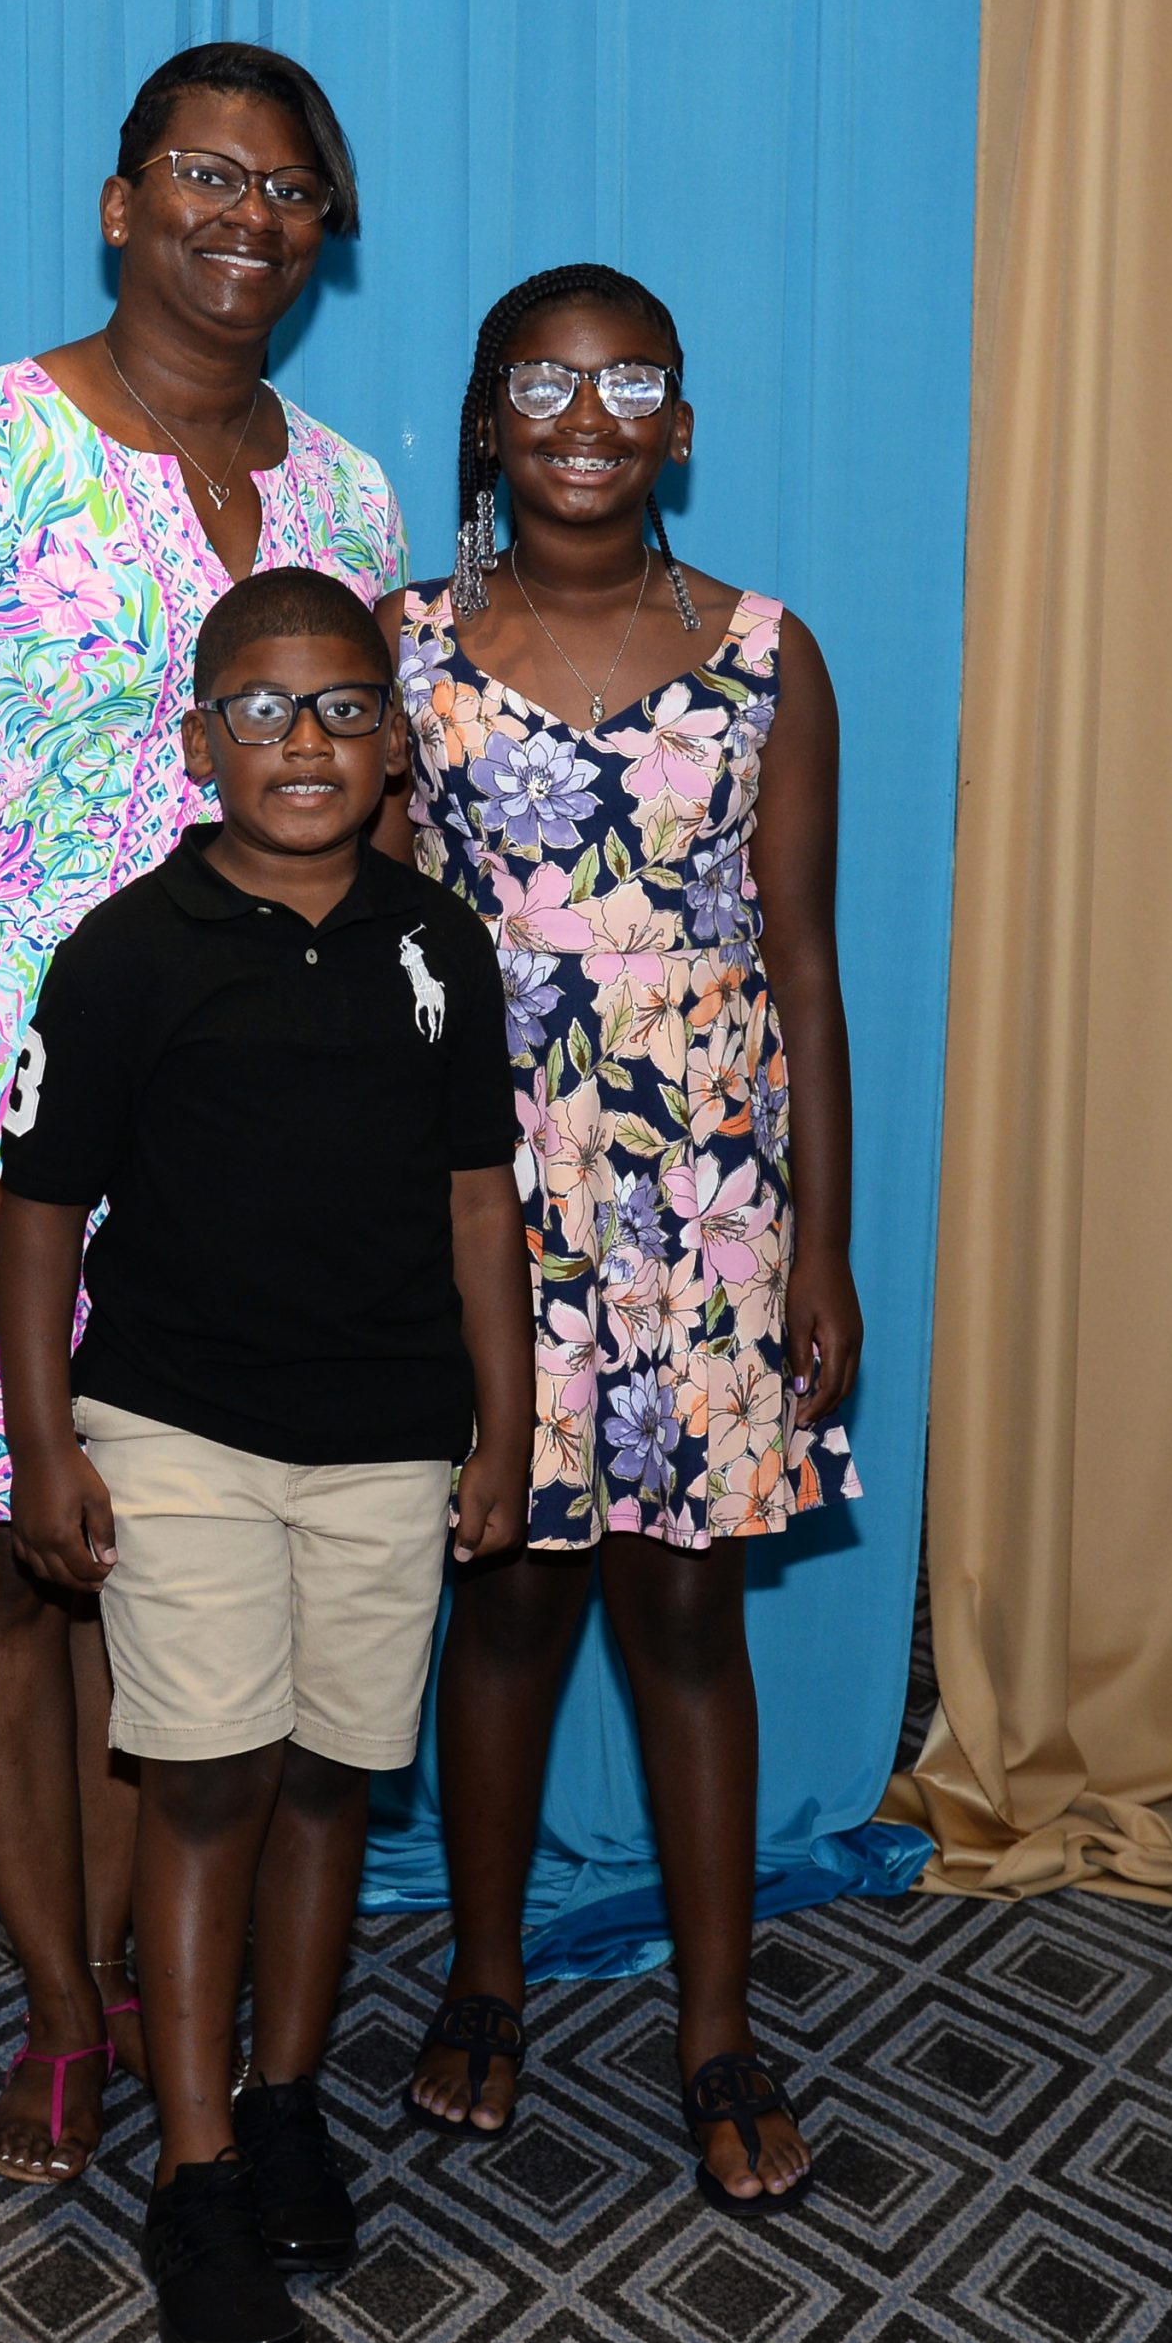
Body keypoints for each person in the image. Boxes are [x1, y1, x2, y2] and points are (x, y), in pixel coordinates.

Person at [0, 43, 405, 2188]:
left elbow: (366, 821)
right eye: (203, 175)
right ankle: (65, 2009)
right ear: (119, 200)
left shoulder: (351, 499)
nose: (246, 219)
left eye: (289, 190)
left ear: (324, 233)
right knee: (1, 1558)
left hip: (236, 1157)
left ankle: (173, 1979)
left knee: (176, 1557)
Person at [0, 566, 532, 2343]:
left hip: (387, 1436)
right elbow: (45, 1216)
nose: (306, 743)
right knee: (211, 1778)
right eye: (264, 711)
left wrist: (507, 1425)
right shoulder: (127, 952)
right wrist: (43, 1443)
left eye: (346, 710)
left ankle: (286, 2100)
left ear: (394, 743)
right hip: (181, 1428)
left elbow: (479, 1205)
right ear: (199, 739)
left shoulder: (438, 945)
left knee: (329, 1777)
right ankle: (197, 2168)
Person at [375, 264, 865, 2216]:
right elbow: (376, 962)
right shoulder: (408, 649)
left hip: (706, 1203)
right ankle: (483, 1981)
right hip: (478, 1198)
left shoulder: (767, 654)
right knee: (503, 1599)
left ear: (680, 421)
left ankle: (717, 2024)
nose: (587, 418)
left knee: (683, 1612)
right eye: (544, 383)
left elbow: (804, 962)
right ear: (487, 417)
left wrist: (821, 1248)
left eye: (629, 381)